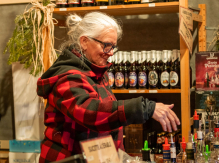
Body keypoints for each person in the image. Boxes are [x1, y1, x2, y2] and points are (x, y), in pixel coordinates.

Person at [37, 12, 180, 163]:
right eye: (106, 45)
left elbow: (108, 122)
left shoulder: (98, 72)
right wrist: (144, 107)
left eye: (113, 47)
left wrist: (121, 157)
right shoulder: (67, 77)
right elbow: (91, 112)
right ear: (84, 41)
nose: (111, 53)